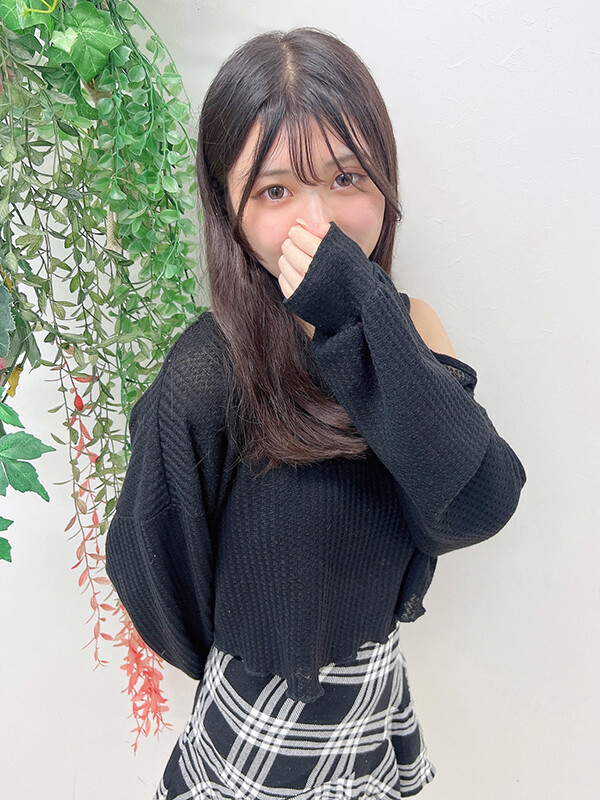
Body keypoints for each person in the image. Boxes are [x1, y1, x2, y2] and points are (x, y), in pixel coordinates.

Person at [105, 26, 527, 799]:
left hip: (374, 694)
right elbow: (151, 561)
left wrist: (360, 313)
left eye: (346, 177)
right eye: (275, 190)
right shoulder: (209, 369)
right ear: (228, 208)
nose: (318, 221)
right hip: (261, 710)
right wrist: (251, 653)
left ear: (385, 182)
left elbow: (475, 507)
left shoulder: (414, 329)